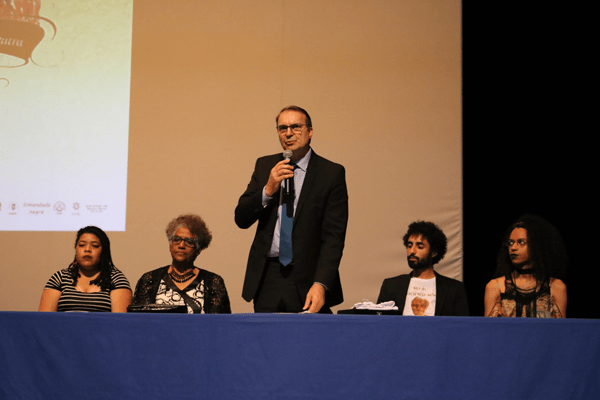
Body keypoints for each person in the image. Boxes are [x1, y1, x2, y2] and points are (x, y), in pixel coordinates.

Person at [235, 105, 348, 313]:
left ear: (310, 131)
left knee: (307, 334)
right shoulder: (265, 165)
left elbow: (334, 238)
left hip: (308, 277)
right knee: (266, 334)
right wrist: (268, 189)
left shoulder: (330, 173)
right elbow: (241, 218)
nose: (288, 133)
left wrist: (321, 283)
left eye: (296, 127)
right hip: (267, 275)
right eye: (282, 128)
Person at [132, 214, 231, 314]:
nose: (181, 245)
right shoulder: (149, 279)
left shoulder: (213, 282)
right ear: (170, 246)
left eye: (189, 241)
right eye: (177, 239)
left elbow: (221, 321)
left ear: (199, 249)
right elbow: (138, 319)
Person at [377, 221, 469, 316]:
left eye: (420, 247)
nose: (412, 251)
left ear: (433, 253)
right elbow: (379, 322)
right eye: (409, 246)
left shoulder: (454, 289)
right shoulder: (391, 286)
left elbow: (462, 323)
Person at [484, 214, 567, 318]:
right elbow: (488, 326)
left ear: (536, 245)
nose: (513, 248)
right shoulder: (496, 287)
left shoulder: (556, 287)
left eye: (521, 242)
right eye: (510, 243)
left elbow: (561, 327)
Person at [38, 226, 132, 312]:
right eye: (82, 245)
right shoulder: (60, 278)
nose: (87, 249)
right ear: (76, 248)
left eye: (95, 246)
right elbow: (44, 319)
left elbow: (119, 321)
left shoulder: (116, 279)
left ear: (104, 251)